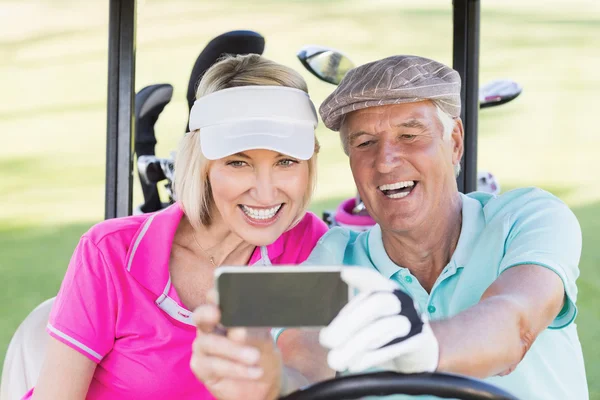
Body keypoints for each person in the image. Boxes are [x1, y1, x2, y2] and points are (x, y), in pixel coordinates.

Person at [191, 55, 588, 400]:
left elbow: (515, 318)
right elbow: (305, 365)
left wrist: (426, 346)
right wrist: (268, 379)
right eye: (364, 143)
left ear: (455, 142)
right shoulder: (336, 255)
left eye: (410, 136)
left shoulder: (527, 218)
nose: (386, 162)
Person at [26, 54, 328, 400]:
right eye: (238, 162)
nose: (265, 191)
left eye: (286, 161)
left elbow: (310, 374)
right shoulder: (109, 252)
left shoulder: (308, 244)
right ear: (203, 166)